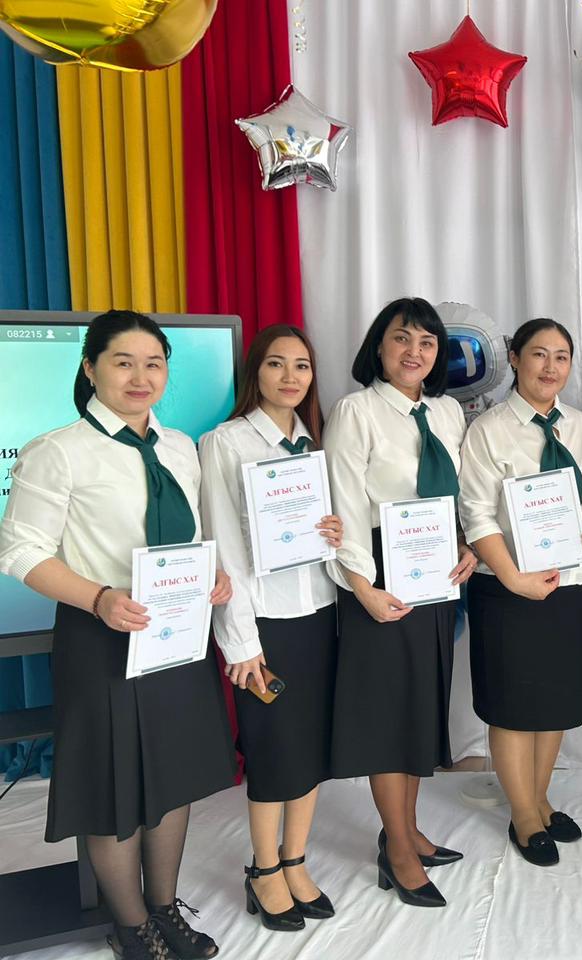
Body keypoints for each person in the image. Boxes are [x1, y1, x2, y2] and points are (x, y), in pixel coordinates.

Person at [0, 310, 236, 960]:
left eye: (153, 363)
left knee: (171, 774)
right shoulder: (58, 451)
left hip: (176, 638)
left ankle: (164, 908)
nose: (140, 376)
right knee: (112, 789)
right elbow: (21, 551)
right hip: (99, 637)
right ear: (90, 367)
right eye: (123, 362)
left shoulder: (180, 446)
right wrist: (99, 599)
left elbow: (191, 535)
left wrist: (212, 576)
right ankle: (131, 927)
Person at [325, 298, 476, 907]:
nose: (414, 352)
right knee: (388, 716)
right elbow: (344, 503)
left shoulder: (447, 412)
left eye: (427, 342)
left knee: (418, 707)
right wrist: (363, 587)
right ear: (379, 346)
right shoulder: (355, 411)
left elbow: (457, 495)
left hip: (435, 574)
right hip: (380, 575)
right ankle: (397, 851)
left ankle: (407, 830)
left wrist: (465, 545)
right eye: (401, 338)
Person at [198, 324, 343, 932]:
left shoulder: (316, 443)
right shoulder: (224, 442)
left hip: (320, 613)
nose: (290, 377)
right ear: (254, 371)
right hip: (264, 623)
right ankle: (262, 869)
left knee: (309, 746)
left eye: (302, 366)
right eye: (277, 364)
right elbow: (223, 548)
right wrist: (241, 642)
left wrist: (335, 533)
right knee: (272, 750)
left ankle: (295, 859)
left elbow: (326, 533)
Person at [458, 317, 582, 867]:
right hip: (508, 587)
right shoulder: (489, 430)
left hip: (571, 583)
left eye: (561, 356)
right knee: (513, 703)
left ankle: (540, 799)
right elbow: (476, 514)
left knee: (554, 703)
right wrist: (513, 577)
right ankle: (523, 814)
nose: (550, 367)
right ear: (516, 359)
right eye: (539, 354)